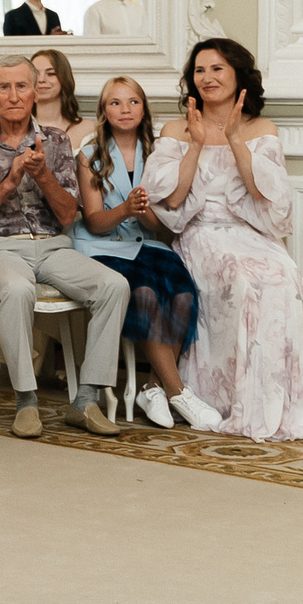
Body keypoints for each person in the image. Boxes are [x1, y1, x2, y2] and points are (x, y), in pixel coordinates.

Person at [145, 39, 303, 441]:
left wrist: (236, 138)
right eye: (200, 70)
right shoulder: (175, 130)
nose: (207, 78)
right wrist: (197, 143)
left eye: (217, 69)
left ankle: (278, 403)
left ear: (238, 75)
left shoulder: (261, 129)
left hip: (251, 233)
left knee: (282, 274)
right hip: (200, 233)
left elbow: (264, 195)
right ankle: (224, 397)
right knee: (244, 278)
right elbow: (170, 198)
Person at [0, 54, 125, 438]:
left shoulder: (57, 141)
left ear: (34, 93)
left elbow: (66, 216)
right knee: (16, 287)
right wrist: (9, 182)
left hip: (52, 246)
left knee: (114, 286)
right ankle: (26, 401)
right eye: (4, 87)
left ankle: (86, 399)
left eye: (21, 86)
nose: (13, 95)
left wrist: (43, 175)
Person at [71, 76, 219, 430]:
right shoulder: (89, 155)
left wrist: (145, 211)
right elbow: (94, 222)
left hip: (146, 243)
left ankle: (152, 387)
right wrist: (125, 209)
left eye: (133, 102)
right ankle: (180, 392)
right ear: (104, 112)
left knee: (183, 291)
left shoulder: (158, 152)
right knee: (146, 293)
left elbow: (160, 224)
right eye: (116, 103)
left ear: (144, 108)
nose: (125, 110)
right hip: (103, 247)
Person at [32, 46, 89, 148]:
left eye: (51, 73)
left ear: (64, 78)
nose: (41, 80)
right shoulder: (16, 130)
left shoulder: (88, 129)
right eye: (35, 74)